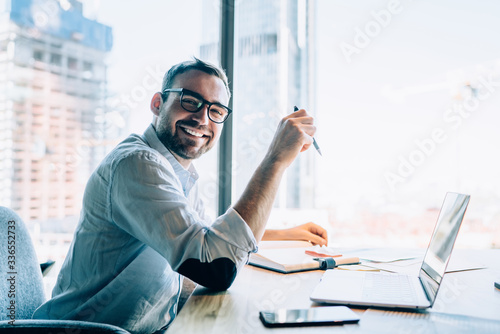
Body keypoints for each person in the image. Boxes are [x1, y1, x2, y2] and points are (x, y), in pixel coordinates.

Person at [33, 58, 327, 333]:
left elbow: (209, 238)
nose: (202, 118)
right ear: (158, 104)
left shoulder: (177, 171)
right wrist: (275, 160)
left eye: (216, 111)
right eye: (190, 101)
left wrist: (287, 234)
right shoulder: (137, 165)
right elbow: (215, 267)